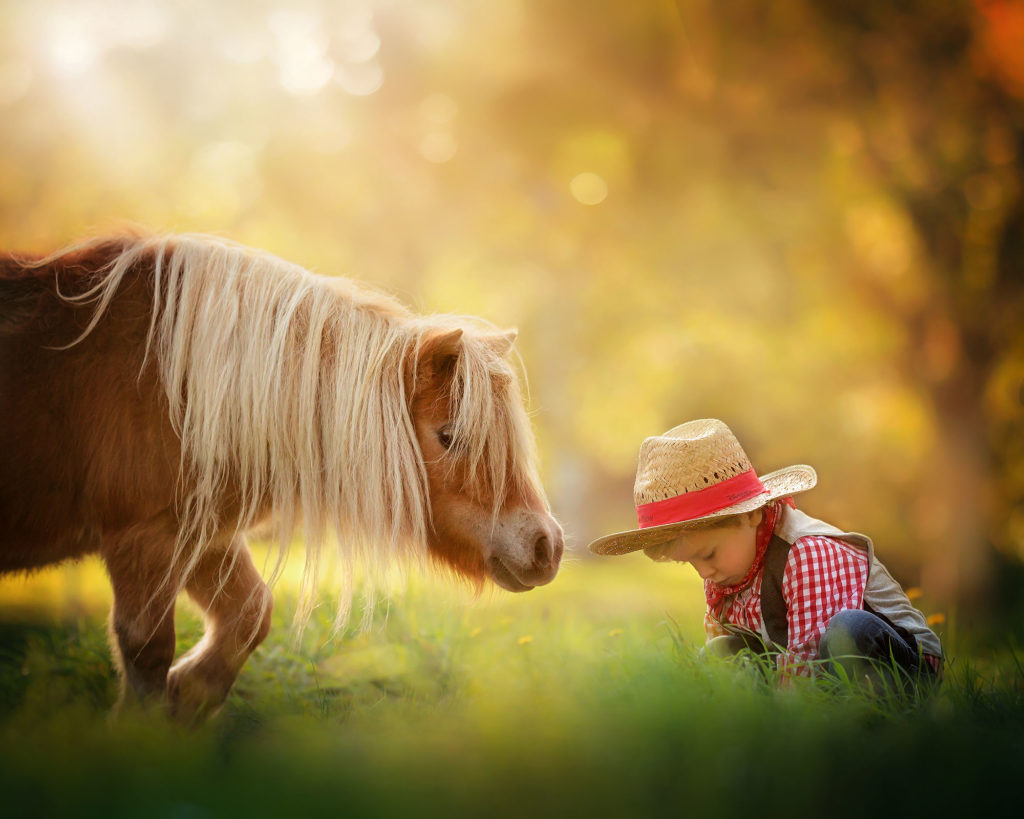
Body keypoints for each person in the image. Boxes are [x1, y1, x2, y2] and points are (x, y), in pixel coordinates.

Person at [588, 419, 942, 691]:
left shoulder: (805, 550)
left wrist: (790, 720)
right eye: (690, 562)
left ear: (752, 514)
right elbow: (728, 644)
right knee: (722, 652)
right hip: (812, 667)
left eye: (708, 554)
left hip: (896, 663)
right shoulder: (727, 569)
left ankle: (869, 718)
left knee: (846, 629)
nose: (703, 572)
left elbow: (808, 650)